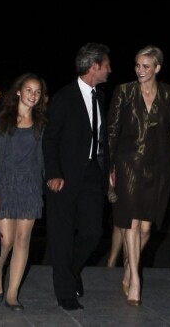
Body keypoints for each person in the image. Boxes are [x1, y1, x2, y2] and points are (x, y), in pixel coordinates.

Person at [107, 45, 170, 307]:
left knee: (146, 227)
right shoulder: (124, 91)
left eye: (146, 66)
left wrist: (169, 162)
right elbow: (112, 130)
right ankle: (135, 281)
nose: (140, 70)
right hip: (127, 164)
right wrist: (110, 167)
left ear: (157, 68)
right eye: (137, 65)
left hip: (157, 167)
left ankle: (128, 268)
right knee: (131, 223)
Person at [43, 42, 112, 311]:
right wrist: (53, 174)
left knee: (93, 233)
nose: (109, 70)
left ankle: (70, 272)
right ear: (94, 67)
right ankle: (65, 292)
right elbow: (50, 140)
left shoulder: (99, 97)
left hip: (92, 176)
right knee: (61, 236)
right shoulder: (64, 97)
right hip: (63, 178)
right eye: (106, 65)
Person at [0, 73, 48, 310]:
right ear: (19, 92)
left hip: (30, 187)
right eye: (29, 90)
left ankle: (12, 294)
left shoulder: (41, 124)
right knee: (6, 241)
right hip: (5, 186)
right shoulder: (2, 121)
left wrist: (47, 182)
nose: (33, 95)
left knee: (23, 240)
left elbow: (42, 159)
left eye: (37, 91)